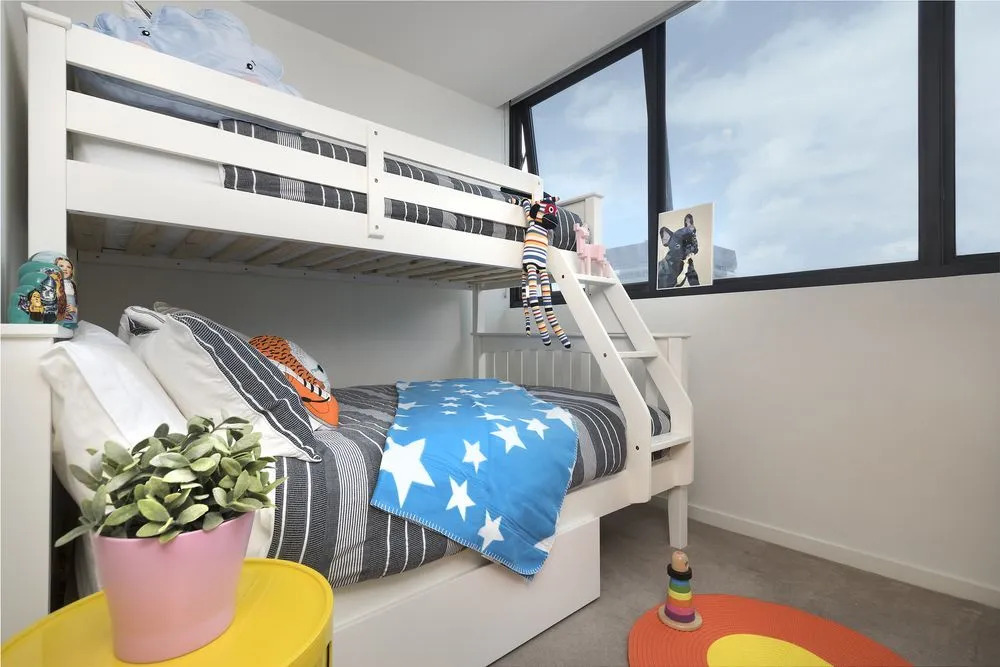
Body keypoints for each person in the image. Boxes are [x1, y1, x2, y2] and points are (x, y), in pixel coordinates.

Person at [657, 213, 699, 289]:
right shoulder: (663, 267)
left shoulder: (688, 261)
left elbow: (695, 284)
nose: (686, 247)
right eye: (679, 245)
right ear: (665, 240)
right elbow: (663, 290)